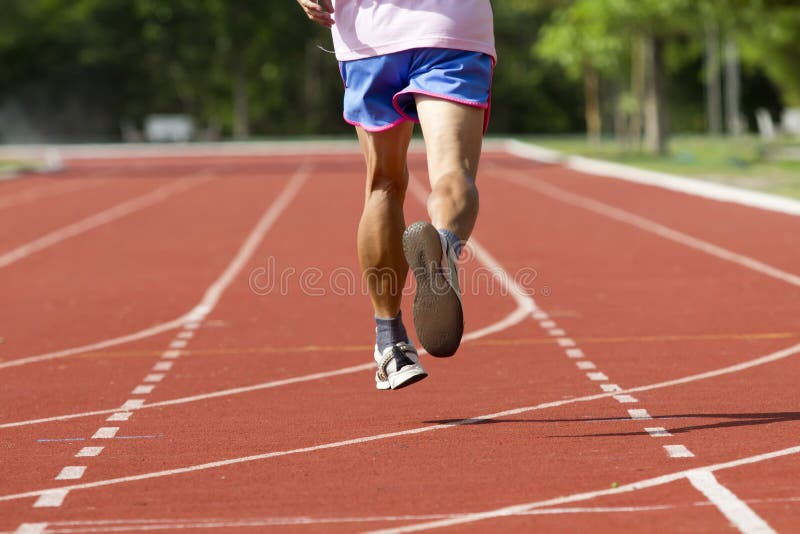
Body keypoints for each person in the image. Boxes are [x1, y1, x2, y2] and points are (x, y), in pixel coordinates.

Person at [296, 0, 496, 390]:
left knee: (384, 183)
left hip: (370, 34)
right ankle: (442, 246)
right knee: (453, 171)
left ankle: (390, 343)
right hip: (452, 25)